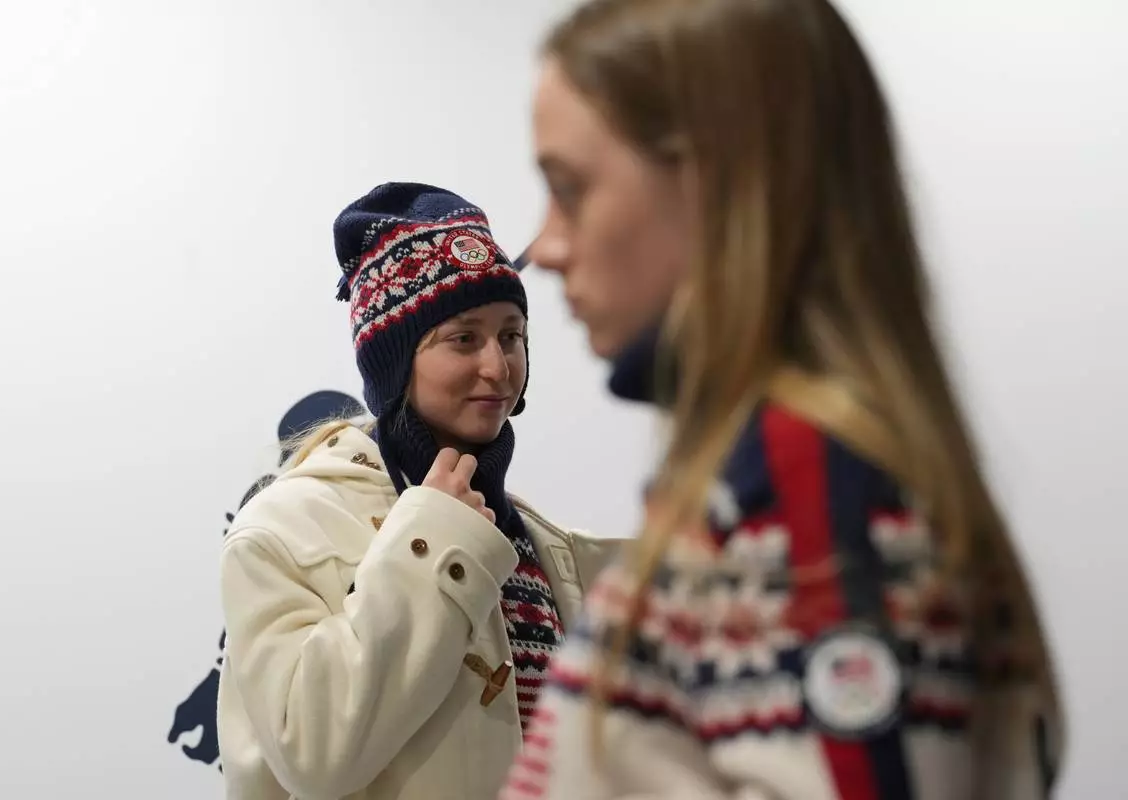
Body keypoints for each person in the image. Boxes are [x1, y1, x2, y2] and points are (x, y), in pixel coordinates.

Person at [501, 1, 1065, 798]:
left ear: (721, 185)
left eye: (570, 190)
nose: (546, 247)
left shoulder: (815, 503)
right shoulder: (773, 492)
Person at [217, 181, 626, 800]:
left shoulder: (538, 542)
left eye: (511, 335)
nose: (498, 366)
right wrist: (434, 535)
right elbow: (316, 755)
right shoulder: (280, 533)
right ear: (395, 361)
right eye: (464, 338)